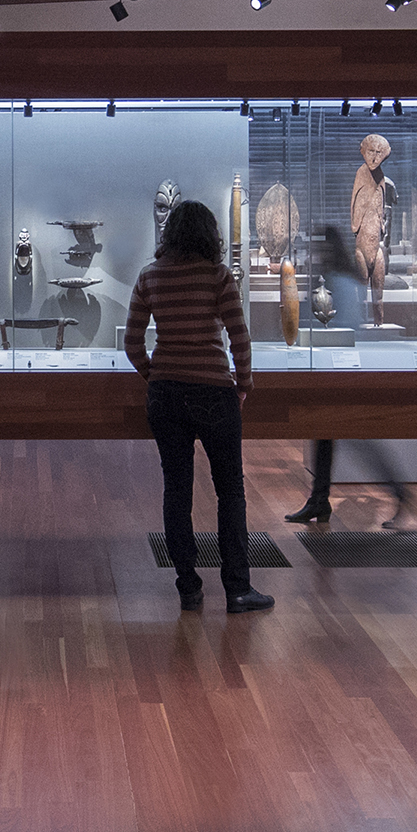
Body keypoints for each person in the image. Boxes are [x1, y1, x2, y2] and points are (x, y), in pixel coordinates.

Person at [125, 198, 267, 612]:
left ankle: (188, 586)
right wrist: (244, 385)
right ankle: (238, 589)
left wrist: (156, 376)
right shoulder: (218, 276)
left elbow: (132, 343)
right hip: (213, 392)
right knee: (230, 492)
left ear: (169, 234)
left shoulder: (149, 277)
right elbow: (239, 338)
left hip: (167, 394)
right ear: (210, 234)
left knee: (176, 491)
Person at [283, 222, 416, 531]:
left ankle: (401, 494)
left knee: (358, 440)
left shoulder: (340, 281)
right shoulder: (333, 279)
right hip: (330, 369)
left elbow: (344, 327)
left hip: (340, 371)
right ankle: (319, 499)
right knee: (324, 435)